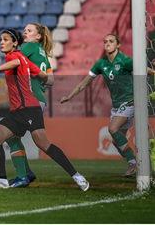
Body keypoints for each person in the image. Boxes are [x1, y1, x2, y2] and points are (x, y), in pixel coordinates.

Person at [0, 29, 89, 191]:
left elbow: (14, 63)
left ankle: (77, 176)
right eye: (0, 40)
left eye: (5, 39)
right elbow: (43, 75)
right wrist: (45, 78)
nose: (1, 42)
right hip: (20, 111)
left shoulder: (15, 56)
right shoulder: (25, 58)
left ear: (15, 43)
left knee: (44, 144)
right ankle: (2, 180)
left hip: (28, 109)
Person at [60, 34, 155, 177]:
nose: (107, 43)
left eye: (111, 41)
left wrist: (153, 71)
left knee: (112, 128)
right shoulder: (101, 64)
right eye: (105, 41)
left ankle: (134, 163)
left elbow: (143, 68)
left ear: (118, 45)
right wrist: (69, 96)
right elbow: (84, 83)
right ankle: (135, 163)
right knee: (116, 140)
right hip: (117, 106)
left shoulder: (124, 61)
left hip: (130, 101)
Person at [6, 23, 55, 188]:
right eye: (24, 30)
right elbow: (51, 81)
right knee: (14, 137)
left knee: (13, 137)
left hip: (29, 100)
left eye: (29, 31)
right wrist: (38, 76)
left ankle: (23, 176)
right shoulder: (43, 53)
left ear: (38, 36)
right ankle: (26, 173)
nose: (25, 33)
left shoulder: (29, 46)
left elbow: (14, 59)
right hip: (39, 99)